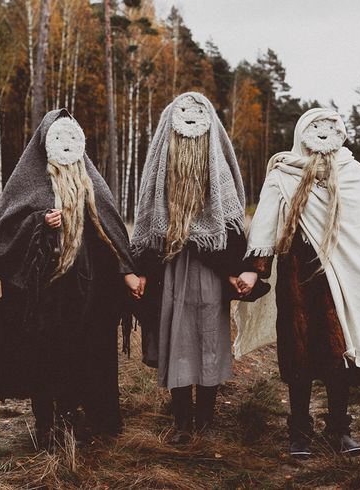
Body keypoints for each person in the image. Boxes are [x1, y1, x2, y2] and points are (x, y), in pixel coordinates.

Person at [0, 109, 142, 451]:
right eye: (58, 139)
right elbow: (4, 236)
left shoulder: (89, 180)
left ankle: (70, 418)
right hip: (44, 292)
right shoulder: (28, 180)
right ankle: (45, 424)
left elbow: (109, 229)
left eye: (70, 139)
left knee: (79, 354)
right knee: (44, 355)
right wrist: (39, 223)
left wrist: (126, 271)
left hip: (83, 290)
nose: (64, 146)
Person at [245, 108, 360, 457]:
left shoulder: (353, 173)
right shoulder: (284, 173)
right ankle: (299, 432)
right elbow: (265, 222)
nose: (323, 134)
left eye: (330, 127)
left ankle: (339, 429)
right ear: (302, 132)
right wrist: (255, 268)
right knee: (299, 355)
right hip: (298, 275)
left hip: (342, 276)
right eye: (315, 127)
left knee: (339, 354)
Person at [132, 92, 257, 444]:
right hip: (172, 265)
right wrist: (142, 268)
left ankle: (204, 420)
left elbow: (229, 220)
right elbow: (148, 216)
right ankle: (183, 422)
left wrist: (233, 268)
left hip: (210, 268)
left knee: (209, 339)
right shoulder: (162, 162)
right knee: (177, 340)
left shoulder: (215, 165)